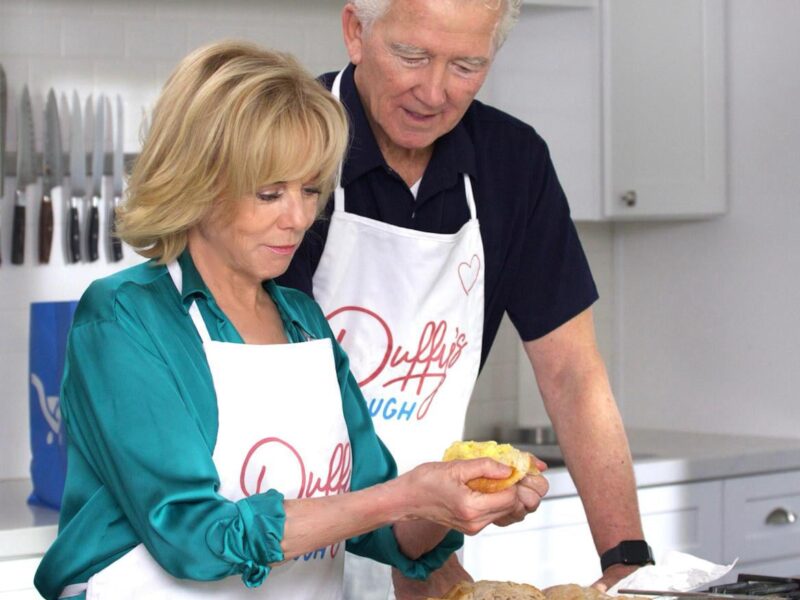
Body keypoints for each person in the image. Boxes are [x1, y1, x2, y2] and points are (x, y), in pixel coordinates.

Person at [33, 41, 549, 600]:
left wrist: (453, 503)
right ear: (197, 182)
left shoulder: (303, 320)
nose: (299, 218)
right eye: (269, 193)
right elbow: (195, 538)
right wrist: (406, 496)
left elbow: (381, 525)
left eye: (309, 189)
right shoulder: (125, 318)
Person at [275, 0, 652, 598]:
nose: (433, 92)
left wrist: (627, 561)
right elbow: (269, 385)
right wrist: (404, 526)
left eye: (466, 66)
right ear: (356, 32)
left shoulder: (513, 164)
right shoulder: (284, 145)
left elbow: (572, 372)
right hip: (277, 530)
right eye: (412, 56)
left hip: (429, 534)